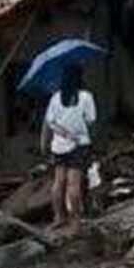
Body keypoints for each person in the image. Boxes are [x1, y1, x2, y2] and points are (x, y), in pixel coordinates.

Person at [43, 65, 97, 226]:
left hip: (58, 146)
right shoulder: (86, 97)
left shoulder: (55, 97)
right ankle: (75, 219)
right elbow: (91, 120)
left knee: (58, 182)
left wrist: (64, 133)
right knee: (74, 184)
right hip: (79, 145)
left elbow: (50, 122)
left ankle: (59, 217)